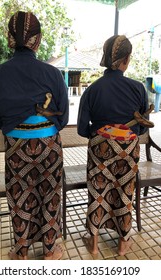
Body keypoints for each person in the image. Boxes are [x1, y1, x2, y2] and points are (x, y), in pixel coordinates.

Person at [0, 11, 69, 260]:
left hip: (16, 147)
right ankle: (50, 250)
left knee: (20, 196)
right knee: (50, 194)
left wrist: (17, 126)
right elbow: (62, 118)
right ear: (37, 40)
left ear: (9, 38)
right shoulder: (52, 74)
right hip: (49, 145)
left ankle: (21, 250)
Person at [77, 35, 149, 256]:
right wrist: (123, 134)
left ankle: (94, 242)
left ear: (105, 58)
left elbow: (82, 129)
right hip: (128, 148)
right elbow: (143, 128)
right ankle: (123, 242)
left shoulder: (92, 90)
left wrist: (102, 135)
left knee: (98, 191)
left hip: (99, 147)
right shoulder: (138, 89)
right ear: (126, 60)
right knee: (126, 191)